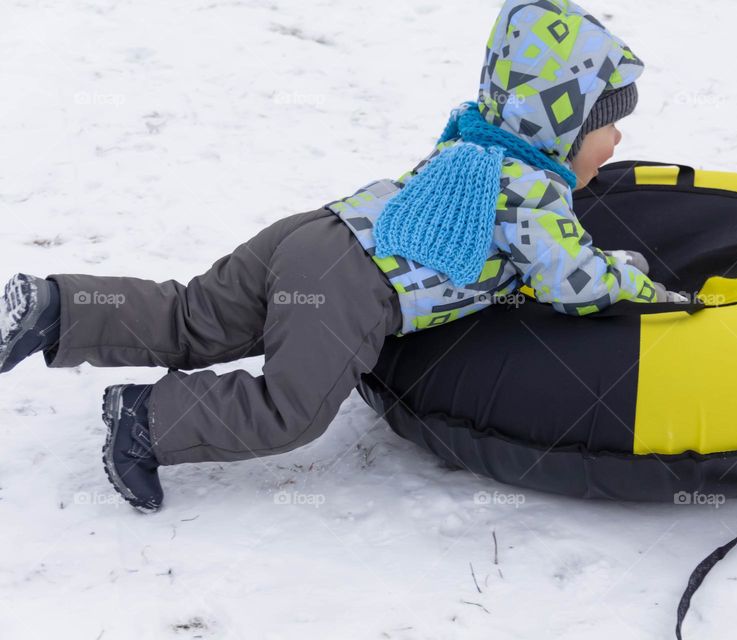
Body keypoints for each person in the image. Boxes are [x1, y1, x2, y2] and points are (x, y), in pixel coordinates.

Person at [0, 0, 686, 513]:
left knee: (192, 314)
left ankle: (57, 306)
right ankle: (146, 420)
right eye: (608, 124)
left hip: (315, 232)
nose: (619, 139)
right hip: (351, 289)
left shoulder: (472, 139)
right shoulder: (532, 191)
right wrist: (637, 278)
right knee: (291, 409)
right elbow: (570, 279)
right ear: (562, 129)